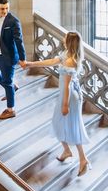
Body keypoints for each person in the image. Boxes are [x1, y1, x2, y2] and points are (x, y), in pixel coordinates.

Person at [23, 30, 91, 176]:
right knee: (61, 123)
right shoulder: (67, 54)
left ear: (70, 42)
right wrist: (31, 64)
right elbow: (53, 61)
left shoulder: (70, 61)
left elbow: (66, 85)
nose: (63, 39)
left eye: (65, 38)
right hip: (70, 95)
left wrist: (65, 105)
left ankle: (82, 158)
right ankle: (67, 151)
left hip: (69, 97)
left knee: (69, 126)